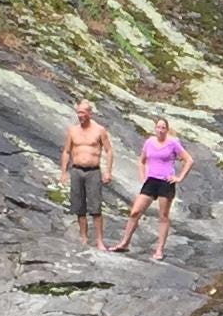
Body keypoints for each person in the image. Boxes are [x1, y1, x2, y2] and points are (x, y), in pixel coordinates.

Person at [116, 117, 193, 261]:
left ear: (167, 129)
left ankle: (159, 250)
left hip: (166, 182)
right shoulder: (149, 142)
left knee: (163, 216)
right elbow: (142, 160)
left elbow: (189, 160)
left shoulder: (173, 143)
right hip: (151, 181)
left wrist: (179, 177)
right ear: (155, 128)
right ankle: (124, 243)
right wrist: (142, 176)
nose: (161, 130)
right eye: (158, 127)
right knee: (135, 212)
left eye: (163, 128)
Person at [60, 100, 118, 251]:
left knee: (96, 207)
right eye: (78, 113)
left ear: (89, 113)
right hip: (77, 170)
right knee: (79, 206)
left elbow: (109, 151)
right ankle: (84, 237)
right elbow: (66, 151)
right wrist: (63, 172)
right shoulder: (72, 131)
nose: (80, 116)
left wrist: (108, 171)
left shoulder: (99, 130)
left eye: (83, 113)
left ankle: (99, 240)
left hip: (93, 171)